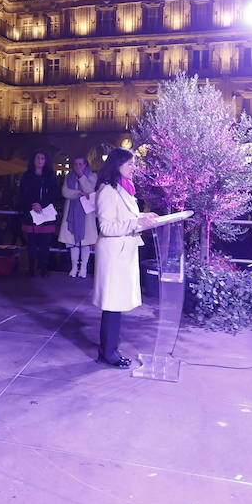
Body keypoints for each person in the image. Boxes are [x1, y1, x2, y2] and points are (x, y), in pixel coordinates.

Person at [91, 148, 157, 368]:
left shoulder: (123, 188)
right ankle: (108, 352)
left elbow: (126, 216)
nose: (133, 168)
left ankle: (110, 350)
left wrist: (143, 216)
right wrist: (136, 223)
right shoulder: (107, 191)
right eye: (130, 164)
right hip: (113, 254)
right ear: (117, 165)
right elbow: (107, 227)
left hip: (122, 252)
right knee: (112, 305)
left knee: (116, 304)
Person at [19, 150, 61, 276]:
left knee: (45, 243)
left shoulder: (51, 177)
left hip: (46, 214)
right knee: (31, 242)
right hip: (31, 213)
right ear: (33, 160)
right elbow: (22, 194)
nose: (39, 161)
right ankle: (31, 268)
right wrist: (33, 204)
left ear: (46, 161)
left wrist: (41, 204)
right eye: (38, 158)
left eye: (42, 158)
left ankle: (43, 268)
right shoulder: (27, 176)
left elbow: (54, 194)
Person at [58, 154, 98, 279]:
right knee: (72, 242)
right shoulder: (69, 176)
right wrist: (78, 193)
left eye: (80, 164)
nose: (78, 167)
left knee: (85, 242)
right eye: (75, 164)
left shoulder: (92, 176)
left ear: (85, 165)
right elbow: (65, 192)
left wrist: (81, 176)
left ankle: (84, 267)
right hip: (71, 212)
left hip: (86, 214)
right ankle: (74, 267)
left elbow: (89, 189)